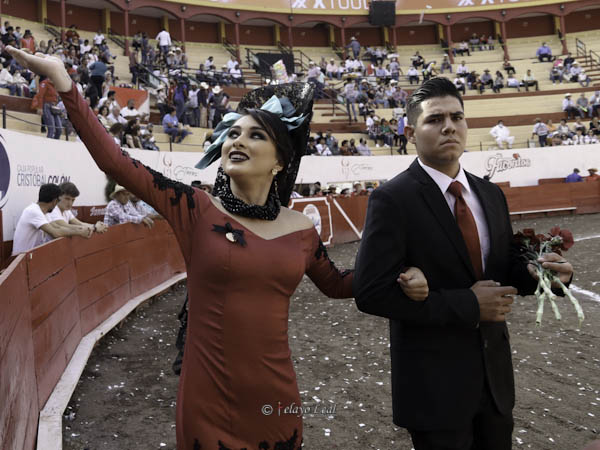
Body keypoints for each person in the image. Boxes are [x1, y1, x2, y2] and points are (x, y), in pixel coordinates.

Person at [7, 45, 430, 449]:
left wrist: (397, 277)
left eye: (255, 135)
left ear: (280, 160)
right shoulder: (193, 207)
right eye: (232, 133)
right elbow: (116, 162)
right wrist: (66, 84)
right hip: (207, 404)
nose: (237, 141)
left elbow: (337, 284)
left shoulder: (301, 229)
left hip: (276, 400)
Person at [353, 77, 573, 450]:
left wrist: (539, 275)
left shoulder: (490, 194)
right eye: (434, 119)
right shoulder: (392, 199)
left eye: (457, 117)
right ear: (410, 132)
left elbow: (501, 267)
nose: (449, 126)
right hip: (434, 388)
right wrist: (469, 305)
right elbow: (370, 292)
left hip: (495, 381)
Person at [12, 183, 92, 255]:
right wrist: (79, 232)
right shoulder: (34, 211)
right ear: (54, 201)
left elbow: (58, 227)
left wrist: (82, 229)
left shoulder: (43, 212)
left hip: (28, 257)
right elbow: (55, 233)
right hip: (19, 259)